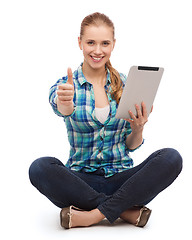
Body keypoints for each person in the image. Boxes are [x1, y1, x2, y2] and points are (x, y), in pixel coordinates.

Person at [29, 12, 182, 229]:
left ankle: (91, 215)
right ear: (80, 43)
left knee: (171, 158)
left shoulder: (128, 84)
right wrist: (65, 106)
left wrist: (137, 129)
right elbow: (61, 106)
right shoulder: (65, 86)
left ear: (113, 45)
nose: (98, 50)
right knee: (39, 167)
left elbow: (131, 145)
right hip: (81, 182)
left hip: (124, 180)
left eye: (105, 43)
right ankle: (125, 211)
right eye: (91, 42)